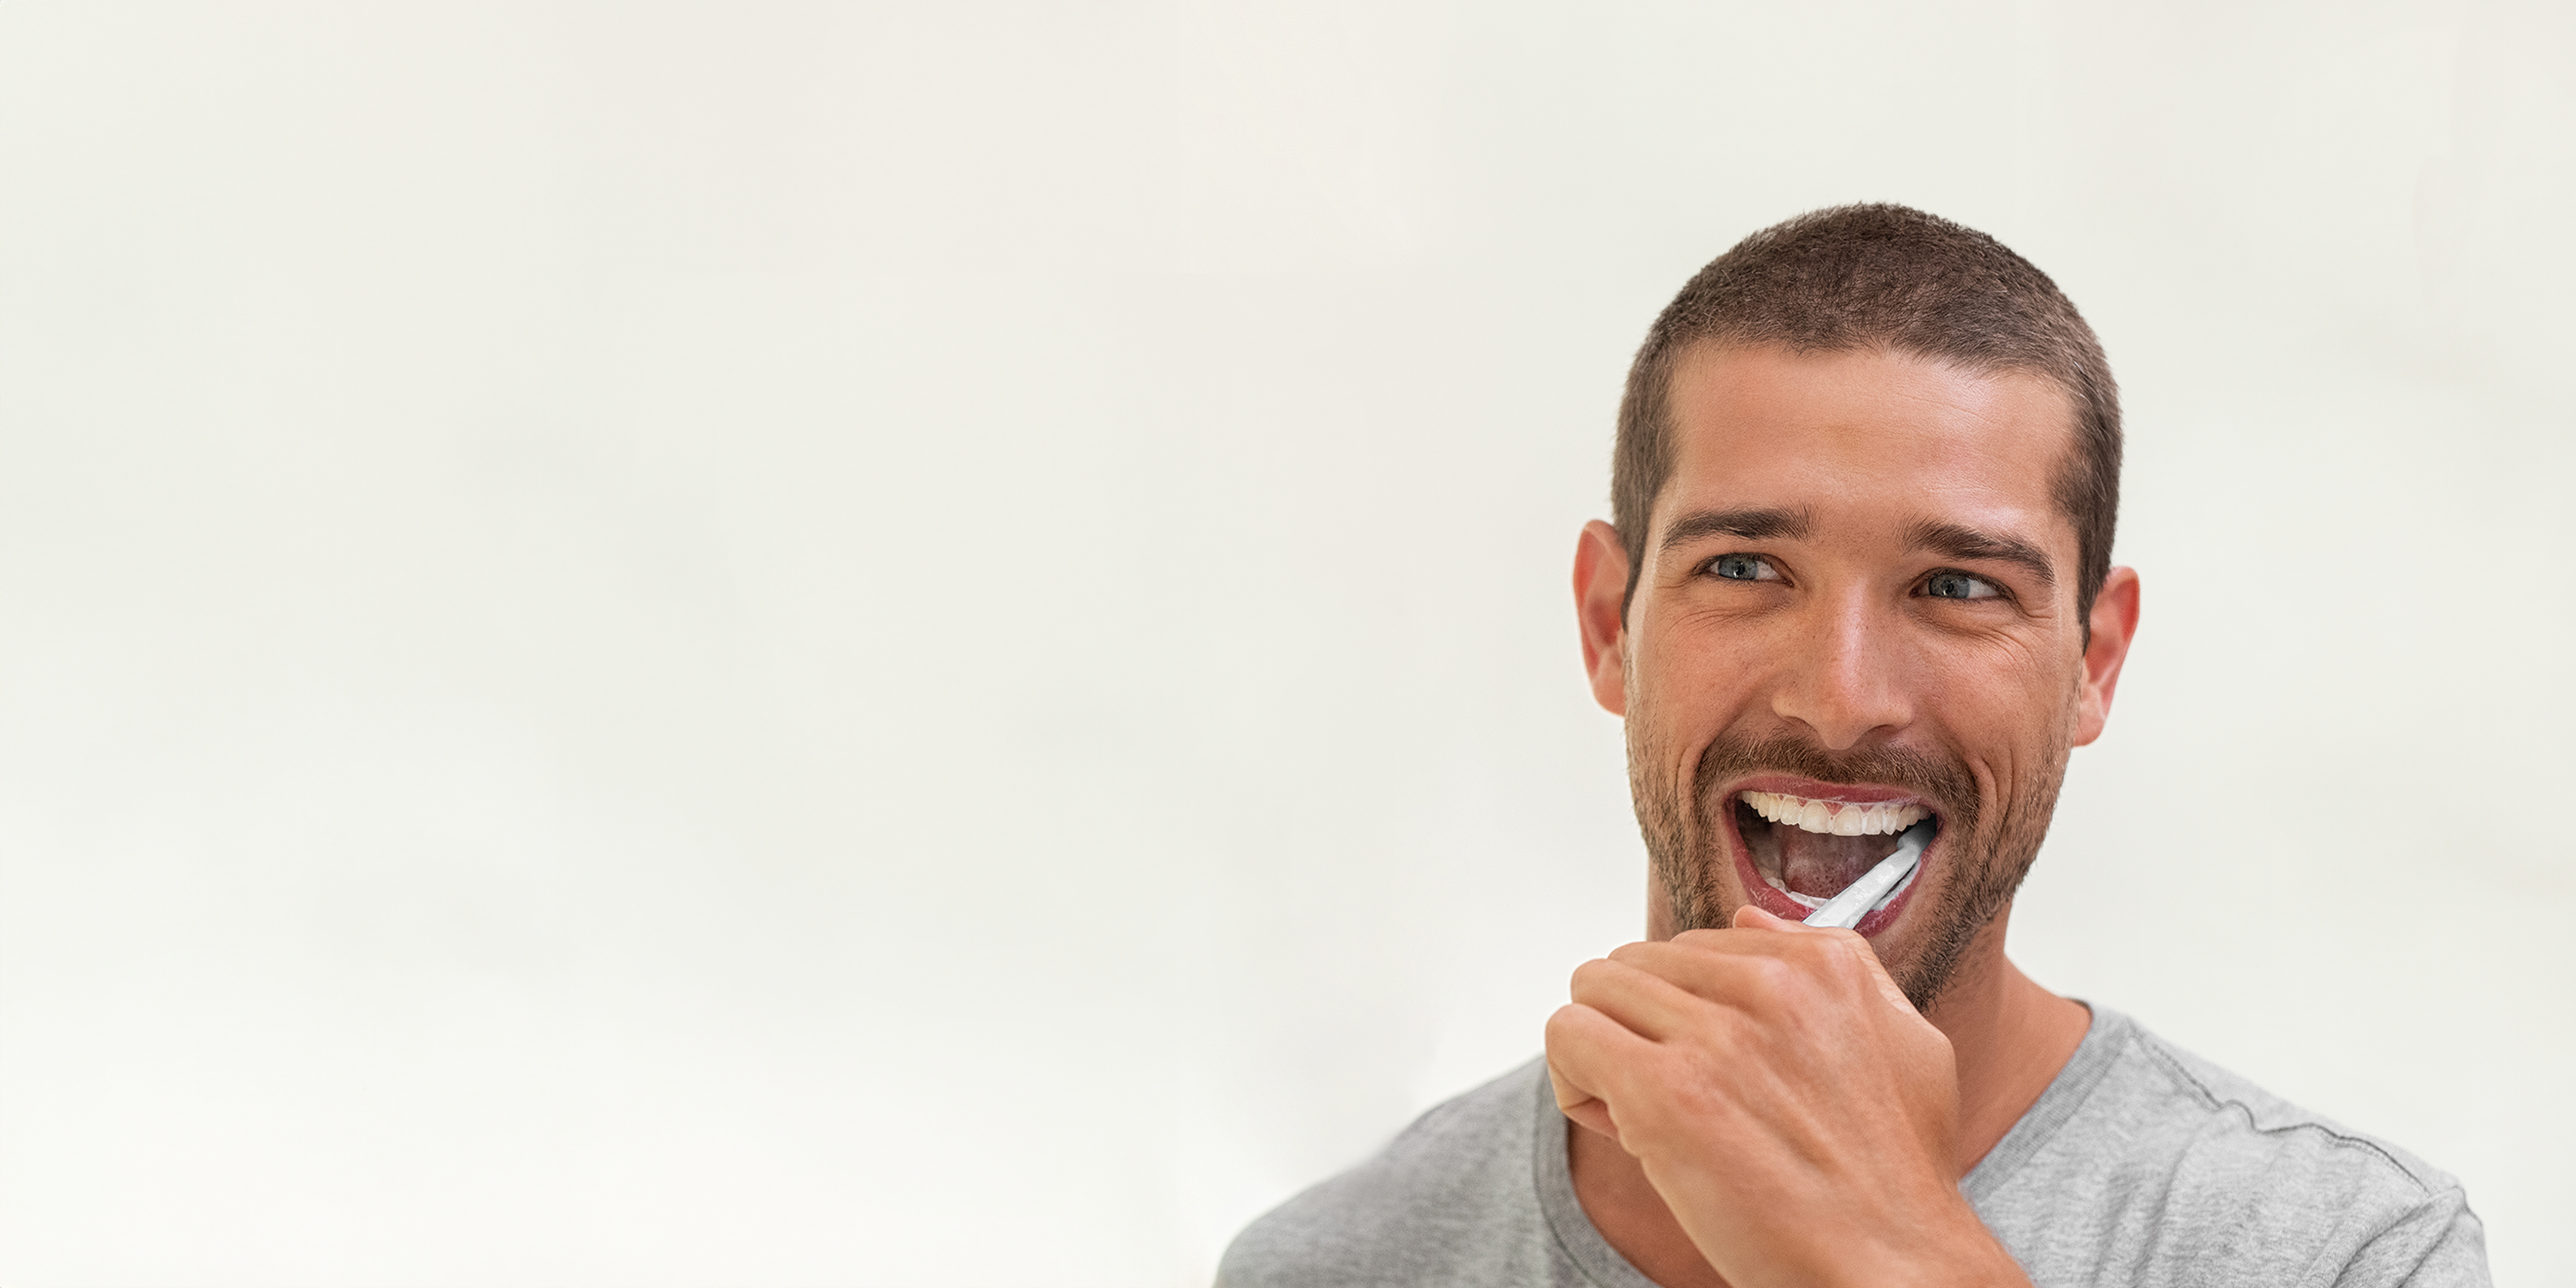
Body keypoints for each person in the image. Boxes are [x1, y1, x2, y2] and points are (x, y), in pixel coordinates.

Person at [1216, 204, 2488, 1287]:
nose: (1841, 702)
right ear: (1610, 624)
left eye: (1958, 587)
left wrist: (1883, 1249)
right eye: (1747, 567)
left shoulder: (2347, 1255)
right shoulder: (1334, 1264)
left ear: (2094, 663)